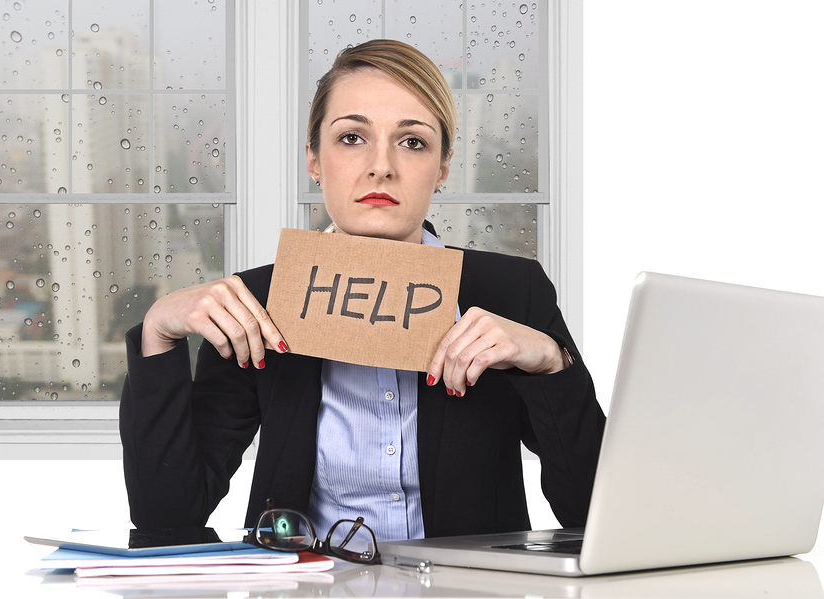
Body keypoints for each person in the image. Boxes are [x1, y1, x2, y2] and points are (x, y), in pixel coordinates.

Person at [120, 39, 605, 542]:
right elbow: (167, 516)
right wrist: (158, 332)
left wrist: (552, 363)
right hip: (308, 577)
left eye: (412, 142)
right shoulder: (257, 304)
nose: (381, 166)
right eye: (352, 138)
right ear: (314, 160)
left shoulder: (513, 292)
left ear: (442, 168)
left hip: (468, 581)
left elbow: (593, 513)